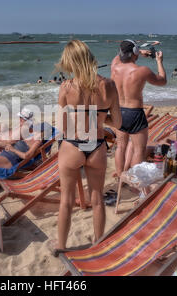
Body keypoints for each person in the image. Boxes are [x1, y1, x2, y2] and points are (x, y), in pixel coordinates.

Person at [55, 40, 121, 253]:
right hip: (97, 146)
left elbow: (62, 125)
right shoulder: (109, 85)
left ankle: (61, 246)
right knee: (97, 200)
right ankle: (98, 244)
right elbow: (118, 123)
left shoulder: (66, 87)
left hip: (72, 146)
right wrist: (100, 118)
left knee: (66, 201)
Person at [110, 39, 167, 179]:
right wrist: (159, 61)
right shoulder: (142, 71)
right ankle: (134, 181)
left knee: (121, 147)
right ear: (134, 52)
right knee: (138, 150)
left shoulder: (114, 66)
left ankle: (120, 176)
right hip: (134, 113)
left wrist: (137, 52)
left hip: (118, 111)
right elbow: (162, 81)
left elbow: (118, 56)